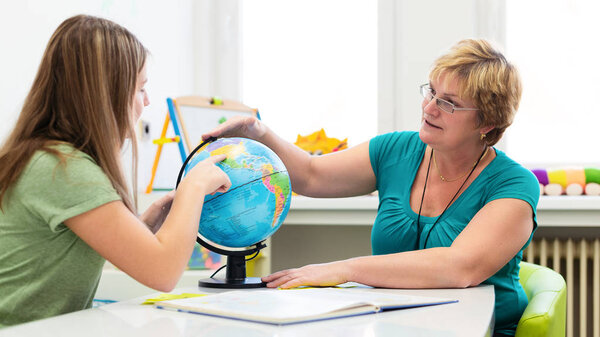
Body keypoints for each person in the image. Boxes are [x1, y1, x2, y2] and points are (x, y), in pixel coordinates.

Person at [203, 39, 539, 336]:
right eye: (431, 92)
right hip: (400, 325)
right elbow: (311, 175)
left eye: (448, 103)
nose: (429, 108)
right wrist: (258, 131)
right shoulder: (395, 150)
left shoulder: (514, 184)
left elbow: (460, 267)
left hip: (480, 329)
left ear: (488, 122)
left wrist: (343, 269)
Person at [0, 15, 231, 327]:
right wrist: (195, 186)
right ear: (104, 93)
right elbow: (163, 273)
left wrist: (141, 227)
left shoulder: (44, 156)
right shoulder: (63, 168)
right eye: (140, 88)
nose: (146, 101)